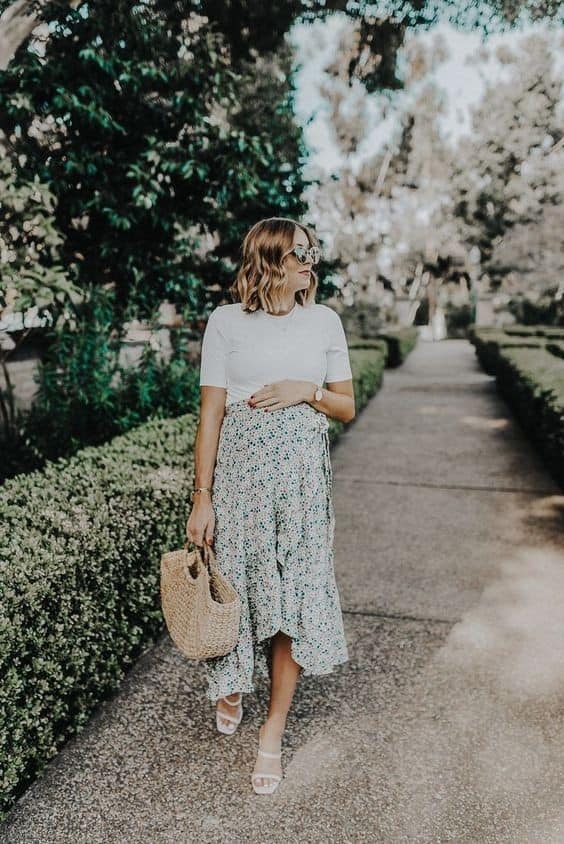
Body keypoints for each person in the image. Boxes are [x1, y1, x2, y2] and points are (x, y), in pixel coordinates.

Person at [186, 216, 355, 795]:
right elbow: (211, 412)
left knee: (294, 598)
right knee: (239, 589)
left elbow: (346, 407)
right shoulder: (226, 322)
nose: (312, 262)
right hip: (241, 480)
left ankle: (272, 733)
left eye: (313, 252)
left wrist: (304, 390)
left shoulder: (325, 321)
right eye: (301, 254)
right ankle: (231, 681)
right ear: (270, 261)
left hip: (303, 487)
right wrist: (201, 497)